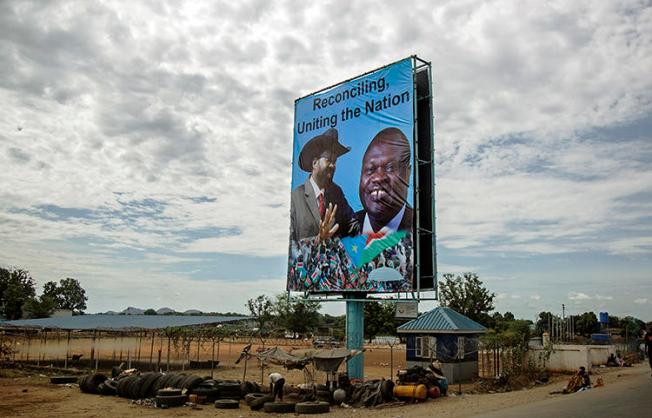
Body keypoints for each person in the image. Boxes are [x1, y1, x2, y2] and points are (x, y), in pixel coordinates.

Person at [290, 128, 358, 243]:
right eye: (328, 160)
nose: (332, 165)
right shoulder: (295, 198)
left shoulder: (337, 193)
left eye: (335, 161)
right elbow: (291, 246)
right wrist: (318, 239)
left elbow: (352, 226)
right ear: (315, 163)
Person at [355, 127, 413, 235]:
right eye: (370, 169)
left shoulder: (421, 225)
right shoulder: (340, 229)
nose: (378, 177)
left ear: (407, 174)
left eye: (389, 168)